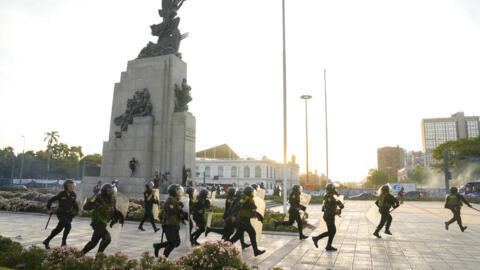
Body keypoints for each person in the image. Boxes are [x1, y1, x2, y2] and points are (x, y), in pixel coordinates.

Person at [81, 184, 124, 255]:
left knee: (94, 242)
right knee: (107, 238)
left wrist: (117, 216)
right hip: (97, 222)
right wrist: (96, 206)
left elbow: (113, 209)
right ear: (104, 191)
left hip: (103, 223)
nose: (111, 193)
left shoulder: (113, 199)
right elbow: (86, 206)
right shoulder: (98, 197)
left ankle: (80, 254)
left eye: (112, 191)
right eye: (110, 191)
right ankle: (99, 257)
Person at [229, 186, 266, 256]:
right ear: (249, 193)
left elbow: (238, 207)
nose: (253, 193)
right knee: (252, 233)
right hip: (245, 221)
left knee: (237, 236)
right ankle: (256, 251)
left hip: (241, 220)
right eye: (252, 192)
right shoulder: (249, 200)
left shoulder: (243, 198)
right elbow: (253, 210)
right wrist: (259, 216)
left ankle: (225, 246)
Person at [43, 180, 79, 249]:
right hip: (61, 213)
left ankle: (47, 241)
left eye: (73, 186)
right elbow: (51, 200)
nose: (72, 187)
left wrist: (76, 211)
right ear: (66, 187)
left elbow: (75, 204)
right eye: (70, 186)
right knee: (68, 226)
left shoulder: (73, 194)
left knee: (58, 229)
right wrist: (49, 209)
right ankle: (63, 242)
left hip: (69, 215)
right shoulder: (61, 194)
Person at [153, 184, 186, 258]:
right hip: (168, 225)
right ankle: (164, 258)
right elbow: (171, 211)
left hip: (175, 224)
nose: (180, 191)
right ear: (173, 191)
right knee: (172, 243)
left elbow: (179, 210)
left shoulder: (176, 200)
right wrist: (179, 208)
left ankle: (158, 246)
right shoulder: (169, 201)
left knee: (177, 242)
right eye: (178, 190)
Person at [312, 183, 344, 251]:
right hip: (328, 216)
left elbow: (328, 206)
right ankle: (317, 238)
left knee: (332, 231)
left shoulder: (328, 195)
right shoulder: (329, 196)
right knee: (332, 231)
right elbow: (332, 204)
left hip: (329, 216)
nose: (335, 190)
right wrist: (338, 203)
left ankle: (328, 245)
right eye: (334, 188)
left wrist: (336, 207)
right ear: (332, 189)